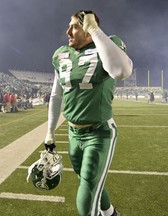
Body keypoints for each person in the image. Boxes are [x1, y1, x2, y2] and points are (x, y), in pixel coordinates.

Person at [44, 10, 133, 216]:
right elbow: (57, 96)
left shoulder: (108, 45)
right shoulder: (61, 54)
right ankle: (111, 213)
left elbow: (121, 71)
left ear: (88, 30)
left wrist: (94, 29)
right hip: (73, 134)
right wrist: (50, 131)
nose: (68, 31)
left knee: (88, 188)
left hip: (99, 132)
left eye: (75, 26)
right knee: (88, 181)